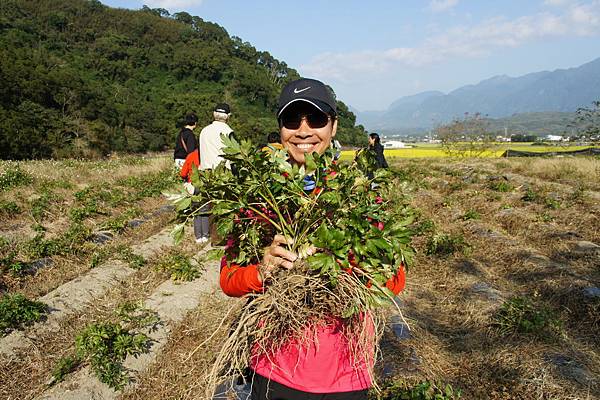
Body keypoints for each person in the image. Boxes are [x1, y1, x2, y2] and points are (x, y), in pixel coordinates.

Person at [219, 78, 406, 400]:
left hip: (347, 370)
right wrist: (263, 269)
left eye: (316, 119)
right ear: (281, 130)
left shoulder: (359, 196)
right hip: (274, 365)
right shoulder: (258, 200)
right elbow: (228, 281)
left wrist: (341, 263)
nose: (304, 131)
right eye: (292, 121)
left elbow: (395, 281)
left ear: (333, 127)